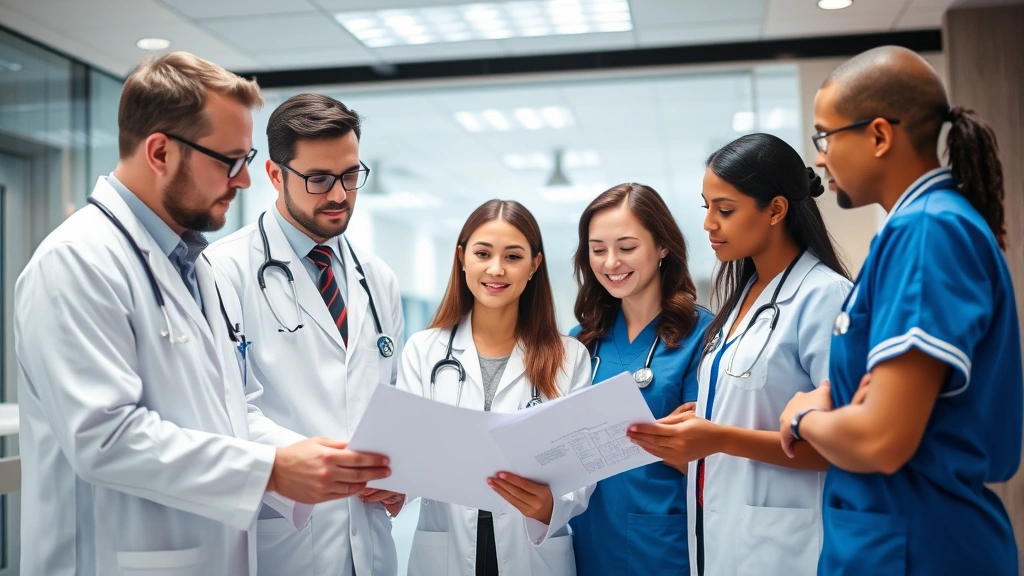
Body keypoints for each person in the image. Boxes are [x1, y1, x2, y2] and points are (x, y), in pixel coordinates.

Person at [14, 53, 390, 576]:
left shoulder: (192, 266)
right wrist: (272, 470)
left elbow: (232, 409)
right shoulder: (77, 263)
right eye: (229, 161)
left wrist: (319, 464)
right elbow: (103, 438)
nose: (242, 182)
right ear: (161, 152)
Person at [778, 46, 1022, 575]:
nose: (819, 157)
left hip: (920, 545)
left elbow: (881, 439)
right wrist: (842, 401)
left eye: (824, 136)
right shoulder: (914, 228)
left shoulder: (928, 231)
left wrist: (805, 415)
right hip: (898, 535)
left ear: (879, 135)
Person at [627, 134, 852, 576]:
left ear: (775, 210)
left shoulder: (825, 297)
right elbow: (756, 404)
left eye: (725, 209)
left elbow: (842, 444)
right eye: (706, 207)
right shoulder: (743, 298)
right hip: (721, 540)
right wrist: (702, 420)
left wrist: (720, 438)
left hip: (787, 550)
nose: (710, 223)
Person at [205, 93, 405, 576]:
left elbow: (391, 401)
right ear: (276, 176)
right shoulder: (221, 270)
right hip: (286, 538)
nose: (339, 194)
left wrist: (402, 471)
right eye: (318, 179)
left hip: (370, 540)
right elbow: (223, 408)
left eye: (351, 175)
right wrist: (311, 461)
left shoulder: (377, 278)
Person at [396, 199, 592, 576]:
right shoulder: (423, 350)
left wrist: (552, 505)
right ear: (462, 257)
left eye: (513, 256)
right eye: (483, 253)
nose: (496, 269)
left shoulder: (570, 357)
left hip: (533, 550)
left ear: (534, 265)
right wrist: (395, 487)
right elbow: (407, 455)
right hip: (445, 550)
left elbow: (582, 469)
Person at [568, 183, 713, 576]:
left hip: (660, 541)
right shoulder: (580, 341)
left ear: (663, 246)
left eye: (627, 248)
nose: (611, 262)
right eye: (598, 250)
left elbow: (704, 456)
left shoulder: (702, 335)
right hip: (583, 537)